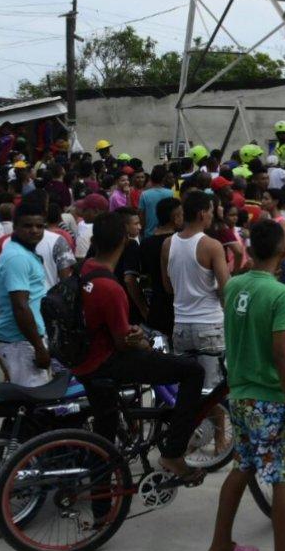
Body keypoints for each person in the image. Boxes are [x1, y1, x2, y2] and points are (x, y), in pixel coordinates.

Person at [206, 219, 285, 551]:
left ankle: (220, 546)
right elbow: (284, 354)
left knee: (244, 465)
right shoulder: (282, 295)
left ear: (250, 250)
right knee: (284, 477)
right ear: (284, 254)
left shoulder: (235, 285)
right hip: (271, 399)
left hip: (240, 395)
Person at [71, 213, 206, 481]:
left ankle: (102, 509)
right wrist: (141, 340)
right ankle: (173, 453)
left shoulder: (84, 270)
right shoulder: (111, 287)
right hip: (107, 362)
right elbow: (124, 341)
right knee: (192, 371)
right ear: (125, 240)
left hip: (85, 360)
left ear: (94, 240)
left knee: (105, 430)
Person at [163, 191, 231, 391]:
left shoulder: (168, 244)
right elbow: (225, 289)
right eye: (211, 211)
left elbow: (168, 286)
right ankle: (215, 424)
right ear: (202, 213)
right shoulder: (212, 245)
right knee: (213, 391)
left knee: (187, 388)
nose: (212, 215)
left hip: (181, 325)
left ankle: (191, 423)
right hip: (210, 325)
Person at [0, 200, 52, 387]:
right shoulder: (17, 257)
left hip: (26, 338)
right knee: (35, 402)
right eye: (27, 226)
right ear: (15, 227)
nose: (34, 230)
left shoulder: (24, 253)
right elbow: (20, 306)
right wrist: (38, 347)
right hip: (22, 341)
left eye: (39, 226)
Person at [141, 197, 181, 338]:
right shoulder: (178, 242)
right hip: (177, 306)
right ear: (175, 218)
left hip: (156, 305)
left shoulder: (146, 243)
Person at [139, 165, 175, 237]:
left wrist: (142, 231)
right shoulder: (170, 193)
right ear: (164, 179)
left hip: (149, 233)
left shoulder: (144, 194)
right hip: (167, 232)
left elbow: (141, 216)